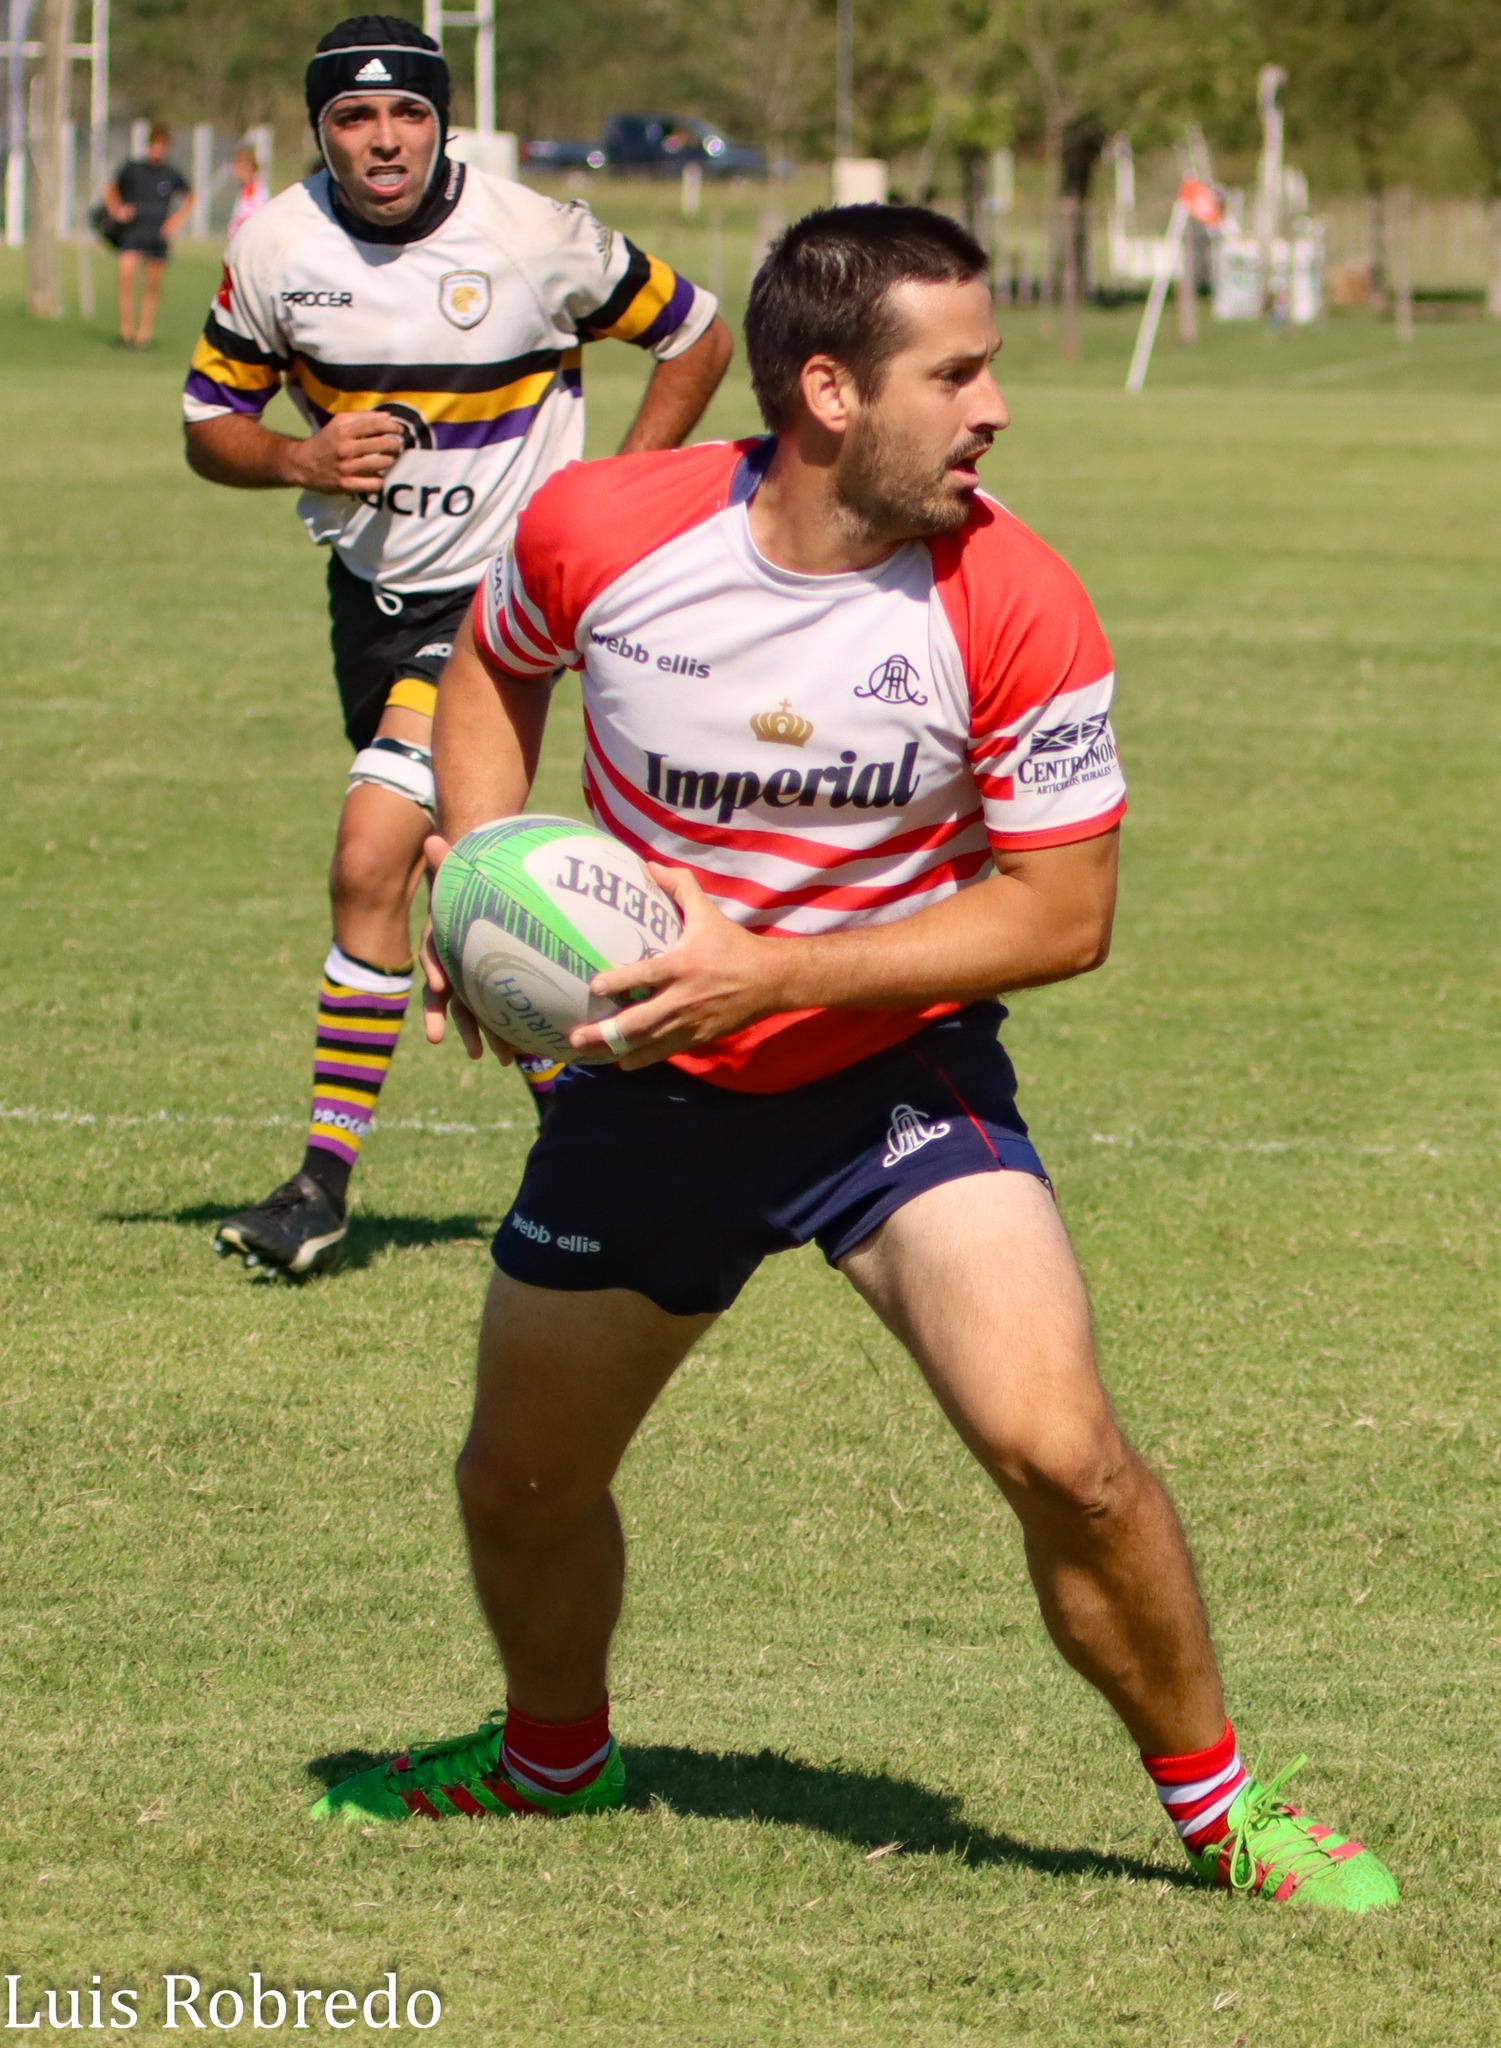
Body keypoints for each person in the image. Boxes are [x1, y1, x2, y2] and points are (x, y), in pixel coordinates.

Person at [311, 206, 1398, 1913]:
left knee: (1064, 1456)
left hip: (889, 1081)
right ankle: (552, 1762)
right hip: (641, 1091)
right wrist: (479, 870)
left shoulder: (1015, 597)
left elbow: (1062, 915)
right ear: (828, 390)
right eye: (954, 375)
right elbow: (490, 670)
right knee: (518, 1482)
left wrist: (769, 975)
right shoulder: (603, 527)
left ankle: (1223, 1807)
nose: (994, 410)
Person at [182, 15, 731, 1278]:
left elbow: (696, 333)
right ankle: (612, 1153)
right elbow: (209, 419)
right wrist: (300, 458)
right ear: (320, 129)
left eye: (408, 114)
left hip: (496, 609)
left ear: (443, 123)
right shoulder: (275, 247)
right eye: (354, 117)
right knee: (468, 882)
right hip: (369, 603)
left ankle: (320, 1185)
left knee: (371, 855)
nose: (384, 139)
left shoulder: (532, 234)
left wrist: (603, 501)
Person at [103, 124, 193, 349]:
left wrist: (175, 221)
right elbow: (111, 189)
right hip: (133, 230)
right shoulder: (133, 168)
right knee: (125, 279)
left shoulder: (170, 174)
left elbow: (190, 195)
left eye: (162, 145)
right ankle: (126, 333)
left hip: (157, 233)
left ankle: (144, 336)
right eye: (155, 144)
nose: (157, 149)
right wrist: (117, 210)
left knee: (152, 285)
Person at [225, 144, 268, 246]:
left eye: (236, 165)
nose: (234, 170)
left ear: (247, 167)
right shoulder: (249, 189)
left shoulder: (251, 192)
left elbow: (248, 225)